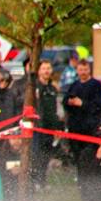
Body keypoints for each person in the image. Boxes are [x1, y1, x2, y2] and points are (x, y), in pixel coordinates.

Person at [64, 59, 101, 158]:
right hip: (75, 129)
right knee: (76, 156)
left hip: (90, 129)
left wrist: (82, 104)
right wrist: (69, 102)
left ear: (89, 70)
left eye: (85, 69)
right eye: (81, 70)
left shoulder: (96, 85)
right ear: (77, 71)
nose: (83, 72)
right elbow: (65, 102)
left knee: (89, 156)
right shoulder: (74, 85)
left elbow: (99, 105)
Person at [31, 59, 62, 189]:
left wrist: (57, 128)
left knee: (46, 155)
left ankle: (42, 181)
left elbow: (55, 110)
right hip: (38, 128)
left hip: (50, 128)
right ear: (39, 71)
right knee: (36, 155)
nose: (46, 71)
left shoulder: (52, 88)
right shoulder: (34, 88)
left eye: (48, 68)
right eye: (44, 68)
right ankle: (35, 181)